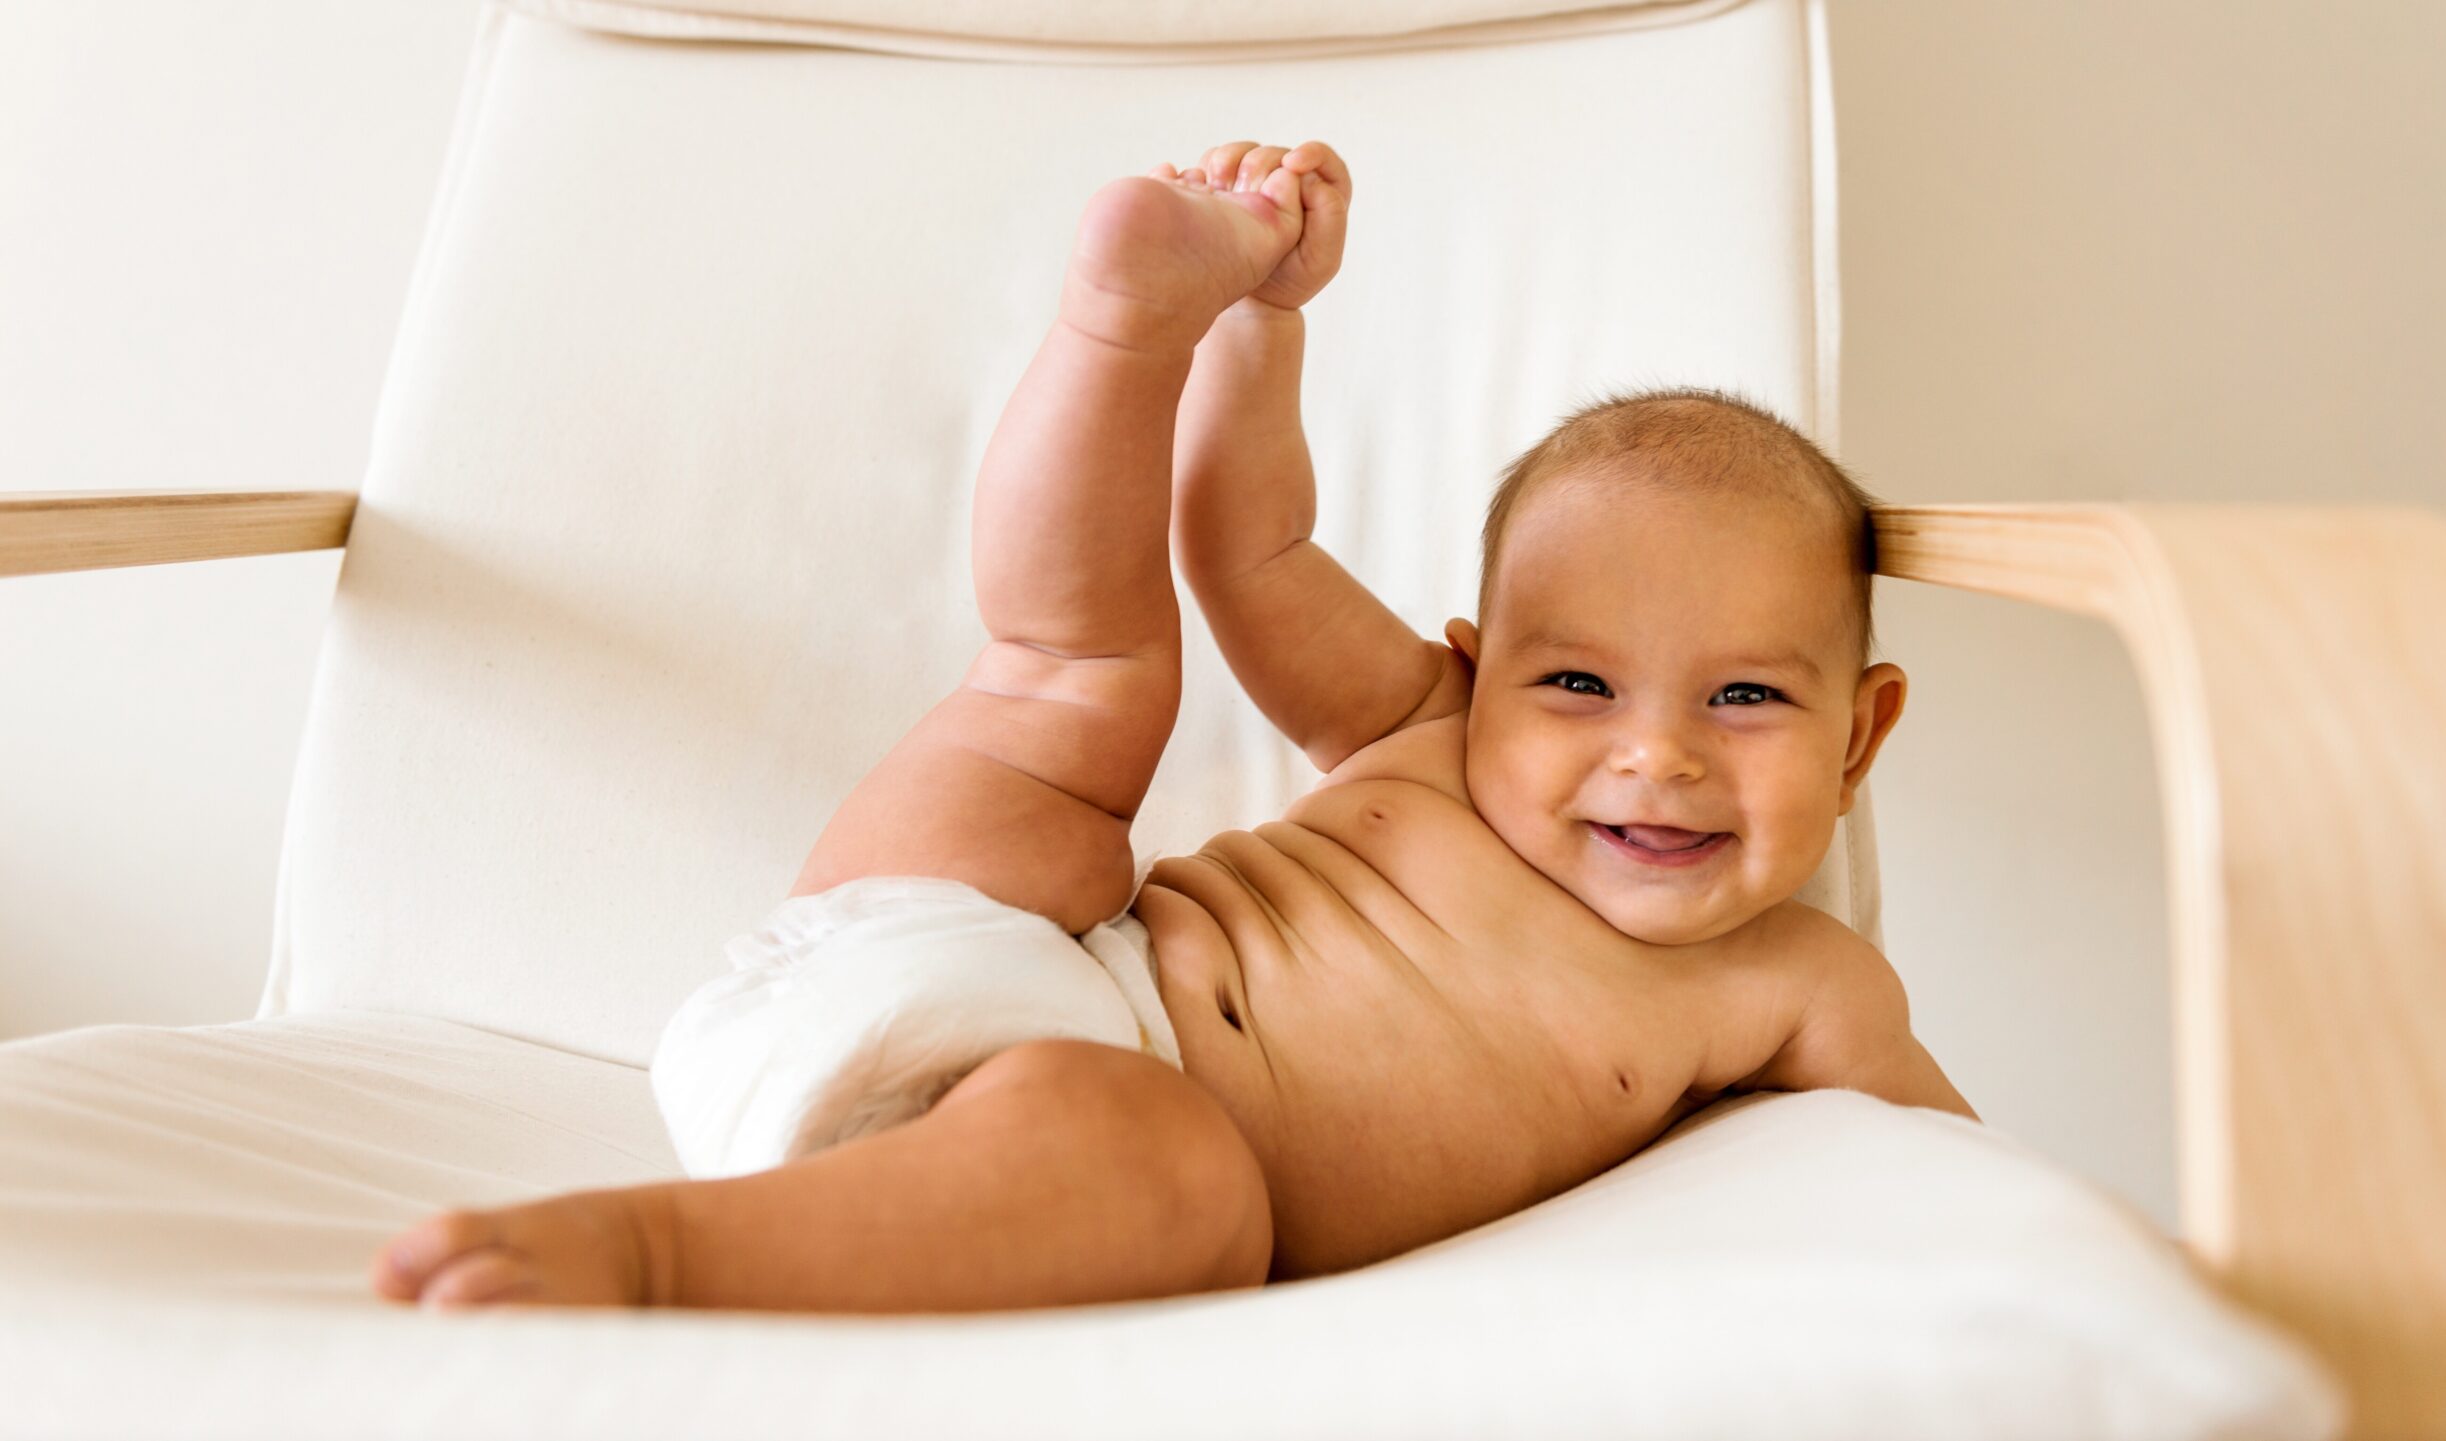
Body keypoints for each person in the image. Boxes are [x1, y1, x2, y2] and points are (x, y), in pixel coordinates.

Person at [371, 140, 1973, 1313]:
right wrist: (1262, 330)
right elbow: (1244, 548)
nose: (1658, 754)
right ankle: (1127, 326)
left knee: (1171, 1142)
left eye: (1747, 696)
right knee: (1067, 684)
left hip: (1045, 1143)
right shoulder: (1425, 717)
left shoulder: (1801, 985)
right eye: (1576, 684)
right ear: (1483, 668)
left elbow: (1964, 1186)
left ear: (1861, 732)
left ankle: (656, 1249)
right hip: (991, 943)